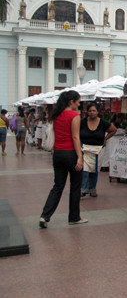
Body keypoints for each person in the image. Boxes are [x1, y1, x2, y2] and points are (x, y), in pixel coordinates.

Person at [39, 90, 87, 228]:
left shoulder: (56, 115)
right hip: (70, 153)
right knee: (75, 186)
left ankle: (45, 215)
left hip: (58, 154)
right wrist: (80, 157)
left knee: (58, 186)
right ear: (71, 101)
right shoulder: (74, 115)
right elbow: (75, 137)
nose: (79, 104)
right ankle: (74, 217)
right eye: (78, 101)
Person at [80, 102, 117, 197]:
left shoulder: (103, 123)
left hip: (98, 149)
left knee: (94, 169)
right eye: (90, 111)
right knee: (85, 169)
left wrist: (105, 138)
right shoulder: (83, 122)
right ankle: (83, 189)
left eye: (94, 111)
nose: (92, 113)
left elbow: (113, 130)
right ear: (87, 112)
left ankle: (92, 188)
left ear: (97, 112)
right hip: (85, 149)